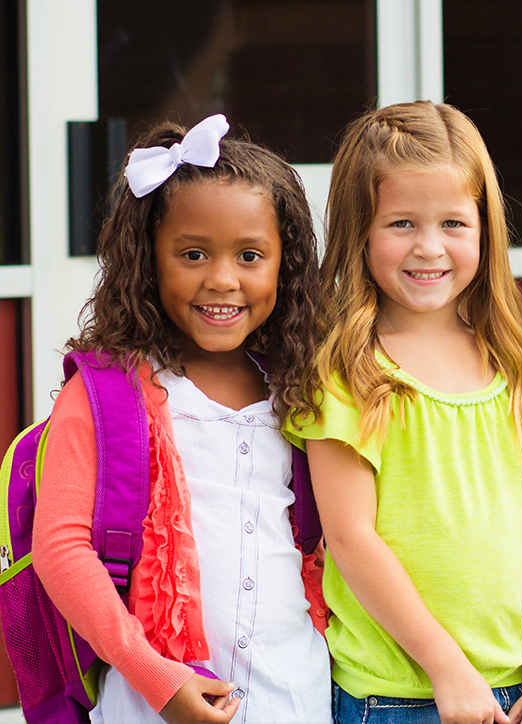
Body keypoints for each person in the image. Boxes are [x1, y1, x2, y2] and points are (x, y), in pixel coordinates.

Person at [33, 115, 332, 724]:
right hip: (153, 700)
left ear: (286, 264)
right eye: (193, 254)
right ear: (150, 259)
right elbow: (60, 549)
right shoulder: (106, 393)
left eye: (251, 255)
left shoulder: (301, 390)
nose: (222, 279)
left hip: (294, 697)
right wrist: (155, 677)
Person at [284, 100, 522, 724]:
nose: (429, 247)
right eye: (402, 224)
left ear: (484, 230)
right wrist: (447, 670)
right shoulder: (348, 371)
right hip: (393, 697)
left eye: (452, 224)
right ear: (360, 230)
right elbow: (353, 540)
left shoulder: (517, 368)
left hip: (515, 691)